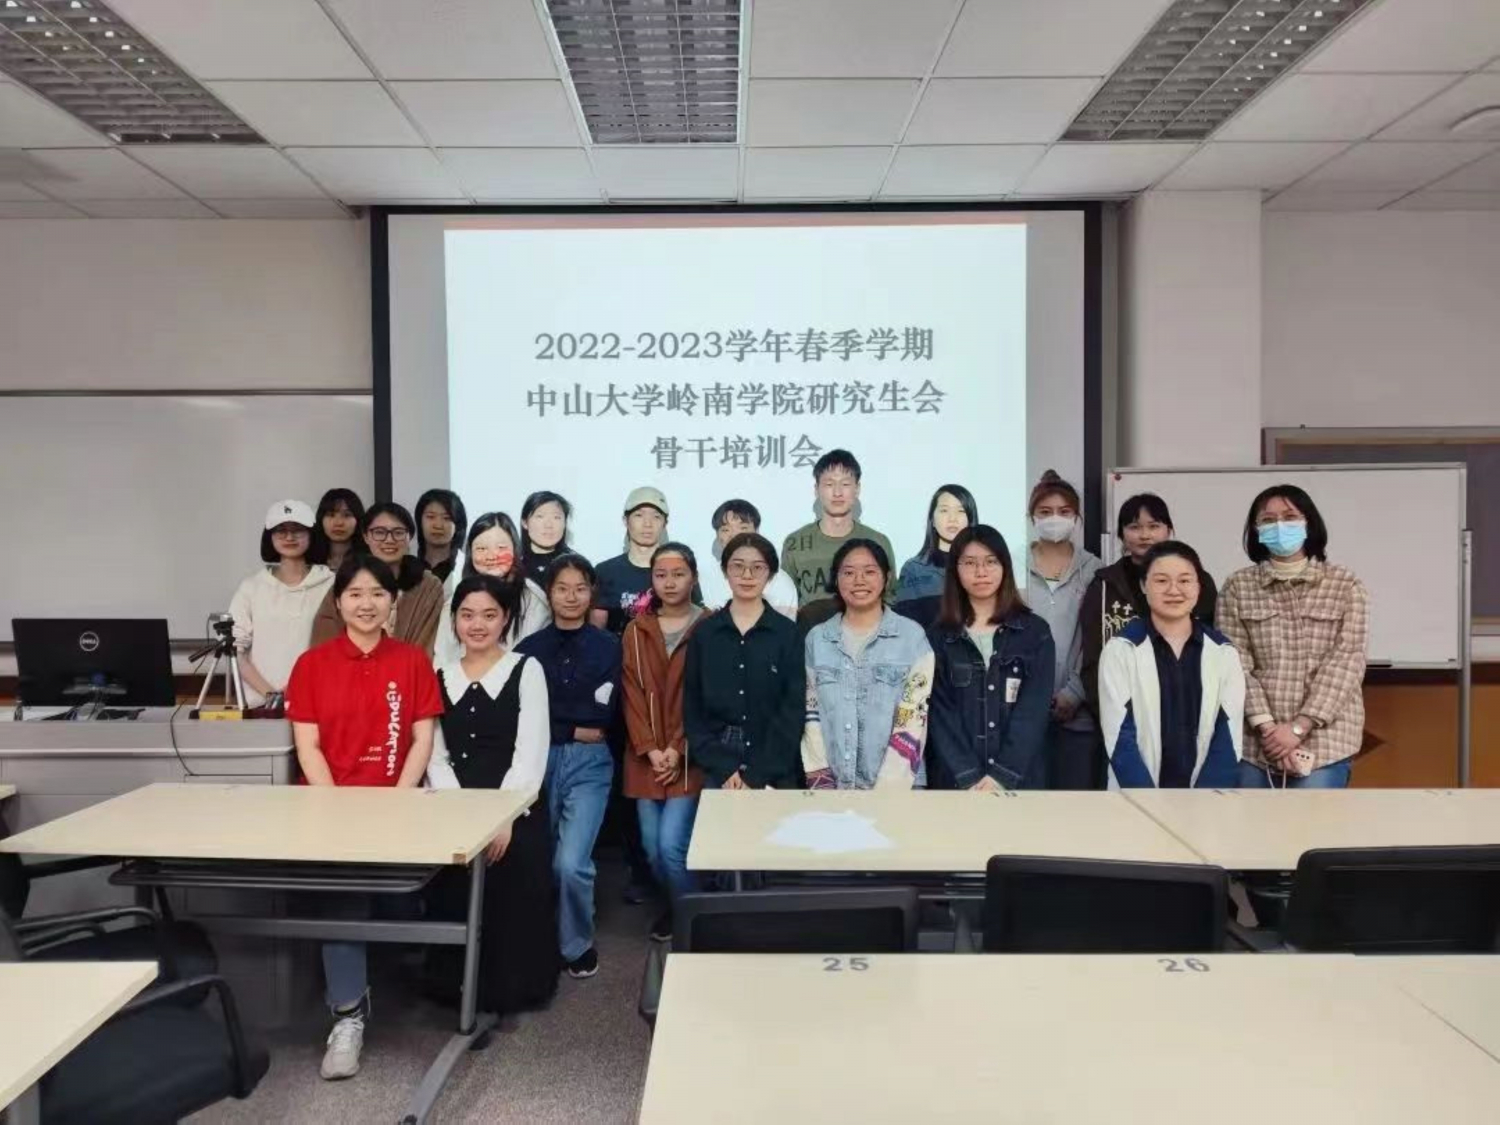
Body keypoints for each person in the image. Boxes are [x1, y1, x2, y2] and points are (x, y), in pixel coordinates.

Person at [285, 554, 443, 1080]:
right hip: (331, 808)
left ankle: (387, 984)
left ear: (392, 602)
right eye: (355, 593)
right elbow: (307, 746)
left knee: (401, 905)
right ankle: (347, 1016)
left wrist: (396, 800)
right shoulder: (312, 664)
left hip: (397, 806)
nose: (366, 603)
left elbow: (421, 738)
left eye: (377, 593)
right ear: (338, 602)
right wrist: (338, 808)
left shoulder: (412, 661)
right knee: (343, 899)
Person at [424, 574, 559, 1014]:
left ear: (506, 619)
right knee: (454, 890)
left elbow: (531, 750)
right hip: (455, 808)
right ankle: (456, 991)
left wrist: (502, 819)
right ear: (454, 620)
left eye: (489, 615)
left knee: (513, 885)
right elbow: (435, 756)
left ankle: (511, 992)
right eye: (467, 615)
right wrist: (463, 816)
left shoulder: (526, 670)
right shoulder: (438, 675)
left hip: (515, 810)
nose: (477, 624)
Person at [1219, 485, 1369, 789]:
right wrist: (1268, 728)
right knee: (1248, 820)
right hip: (1256, 742)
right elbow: (1235, 664)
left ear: (1308, 523)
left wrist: (1299, 728)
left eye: (1289, 517)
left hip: (1326, 741)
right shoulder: (1238, 586)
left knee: (1311, 820)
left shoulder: (1345, 584)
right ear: (1256, 530)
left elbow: (1347, 661)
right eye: (1268, 520)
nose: (1279, 526)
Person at [517, 554, 621, 980]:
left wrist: (566, 721)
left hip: (589, 763)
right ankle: (538, 939)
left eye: (580, 588)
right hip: (536, 758)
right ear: (550, 593)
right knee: (537, 857)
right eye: (562, 588)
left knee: (571, 862)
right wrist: (572, 725)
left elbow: (605, 712)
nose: (571, 597)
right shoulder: (528, 650)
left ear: (591, 592)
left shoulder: (609, 647)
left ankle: (575, 943)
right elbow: (527, 714)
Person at [1099, 542, 1243, 789]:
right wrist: (1147, 800)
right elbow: (1118, 735)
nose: (1174, 590)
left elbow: (1227, 737)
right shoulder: (1121, 649)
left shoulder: (1223, 652)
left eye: (1185, 580)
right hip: (1137, 796)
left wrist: (1206, 800)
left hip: (1207, 798)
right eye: (1161, 581)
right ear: (1144, 585)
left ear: (1199, 586)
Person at [621, 543, 708, 941]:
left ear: (694, 577)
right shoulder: (636, 629)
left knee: (673, 846)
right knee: (653, 850)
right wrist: (652, 750)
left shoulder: (709, 626)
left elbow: (706, 698)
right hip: (646, 757)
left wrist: (676, 749)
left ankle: (691, 921)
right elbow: (631, 694)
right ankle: (678, 907)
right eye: (661, 575)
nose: (669, 582)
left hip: (688, 757)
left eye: (678, 574)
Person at [926, 526, 1055, 790]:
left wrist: (1001, 776)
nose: (981, 572)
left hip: (1018, 784)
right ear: (955, 570)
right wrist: (969, 776)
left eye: (990, 562)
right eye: (969, 563)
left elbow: (1033, 712)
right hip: (957, 785)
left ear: (1005, 566)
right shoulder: (938, 637)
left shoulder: (1035, 633)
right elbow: (940, 715)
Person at [1081, 493, 1219, 731]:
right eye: (1134, 527)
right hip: (1120, 715)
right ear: (1121, 534)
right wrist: (1110, 716)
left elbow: (1210, 649)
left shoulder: (1197, 581)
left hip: (1186, 713)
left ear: (1169, 530)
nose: (1145, 535)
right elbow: (1093, 658)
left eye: (1154, 526)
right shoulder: (1103, 584)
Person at [803, 539, 932, 790]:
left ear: (887, 577)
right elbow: (811, 716)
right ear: (836, 579)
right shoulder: (817, 639)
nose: (859, 580)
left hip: (902, 789)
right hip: (832, 789)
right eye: (848, 573)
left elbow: (914, 720)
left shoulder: (911, 637)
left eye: (870, 572)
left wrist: (887, 791)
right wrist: (822, 784)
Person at [683, 533, 804, 791]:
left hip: (774, 761)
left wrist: (757, 775)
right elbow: (693, 709)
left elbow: (792, 710)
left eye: (757, 567)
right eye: (738, 566)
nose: (747, 575)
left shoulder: (788, 634)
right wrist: (723, 768)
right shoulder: (705, 634)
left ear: (771, 574)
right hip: (718, 763)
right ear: (725, 572)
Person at [1024, 471, 1102, 790]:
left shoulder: (1095, 569)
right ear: (1032, 517)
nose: (1054, 519)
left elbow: (1096, 639)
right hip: (1021, 710)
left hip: (1078, 714)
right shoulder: (1012, 564)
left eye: (1064, 512)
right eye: (1045, 512)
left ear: (1076, 518)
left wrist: (1074, 692)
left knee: (1074, 805)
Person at [228, 499, 333, 710]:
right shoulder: (251, 587)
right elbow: (235, 652)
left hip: (318, 703)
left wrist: (295, 690)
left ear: (312, 534)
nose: (289, 537)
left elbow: (340, 645)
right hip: (262, 707)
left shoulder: (331, 584)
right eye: (281, 530)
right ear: (269, 536)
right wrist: (272, 696)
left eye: (298, 530)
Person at [781, 449, 895, 632]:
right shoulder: (795, 542)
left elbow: (890, 599)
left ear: (857, 489)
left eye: (845, 484)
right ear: (816, 489)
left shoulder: (877, 541)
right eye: (829, 484)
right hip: (809, 638)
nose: (837, 492)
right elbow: (786, 603)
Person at [310, 502, 446, 654]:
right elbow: (325, 638)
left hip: (409, 667)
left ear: (410, 537)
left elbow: (427, 642)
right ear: (366, 536)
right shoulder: (347, 579)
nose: (389, 540)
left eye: (398, 532)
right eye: (379, 532)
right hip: (347, 667)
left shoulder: (428, 586)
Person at [434, 512, 550, 665]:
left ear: (515, 549)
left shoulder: (533, 599)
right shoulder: (456, 601)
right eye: (481, 548)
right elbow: (443, 659)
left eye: (501, 547)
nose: (491, 556)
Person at [697, 499, 798, 619]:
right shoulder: (705, 578)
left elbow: (786, 626)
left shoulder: (778, 580)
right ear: (718, 536)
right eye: (726, 530)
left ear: (756, 531)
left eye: (743, 528)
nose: (734, 536)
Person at [593, 486, 674, 634]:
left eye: (656, 517)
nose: (647, 524)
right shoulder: (605, 571)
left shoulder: (679, 571)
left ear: (665, 523)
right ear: (625, 521)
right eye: (639, 515)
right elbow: (595, 633)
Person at [894, 484, 977, 629]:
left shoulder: (983, 567)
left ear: (970, 519)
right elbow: (906, 629)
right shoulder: (914, 569)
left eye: (960, 511)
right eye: (944, 510)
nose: (952, 518)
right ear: (932, 519)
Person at [520, 490, 572, 588]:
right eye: (540, 516)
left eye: (556, 517)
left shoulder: (575, 565)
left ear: (565, 523)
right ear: (525, 522)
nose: (548, 525)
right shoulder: (512, 564)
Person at [414, 488, 468, 583]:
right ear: (420, 521)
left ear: (458, 525)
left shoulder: (468, 568)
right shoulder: (407, 569)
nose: (438, 525)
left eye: (447, 518)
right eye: (430, 517)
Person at [316, 488, 365, 573]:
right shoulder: (309, 561)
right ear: (321, 519)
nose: (339, 523)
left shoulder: (368, 562)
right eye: (331, 515)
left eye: (347, 515)